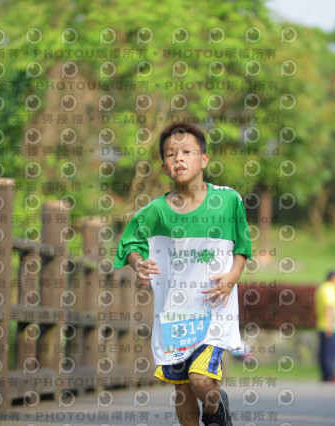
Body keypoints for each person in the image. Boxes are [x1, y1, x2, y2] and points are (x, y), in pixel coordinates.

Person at [114, 122, 251, 426]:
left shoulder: (228, 200)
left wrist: (232, 277)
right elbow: (130, 242)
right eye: (170, 154)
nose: (178, 158)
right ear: (164, 166)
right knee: (183, 389)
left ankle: (216, 412)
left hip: (213, 309)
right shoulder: (157, 211)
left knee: (201, 380)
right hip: (175, 315)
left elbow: (242, 245)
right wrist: (139, 263)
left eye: (186, 152)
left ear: (203, 159)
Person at [314, 270, 335, 382]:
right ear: (334, 278)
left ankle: (326, 376)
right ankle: (328, 376)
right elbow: (329, 307)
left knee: (325, 352)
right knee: (329, 353)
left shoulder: (322, 287)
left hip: (324, 325)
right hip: (330, 326)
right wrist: (330, 326)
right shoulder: (329, 288)